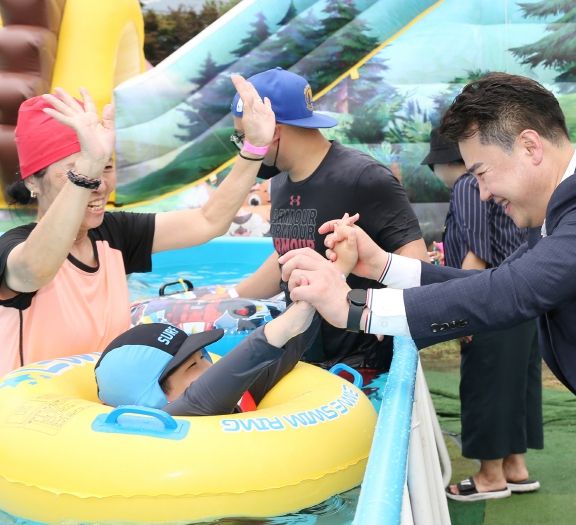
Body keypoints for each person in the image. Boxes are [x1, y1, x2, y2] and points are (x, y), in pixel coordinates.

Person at [280, 72, 576, 524]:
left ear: (530, 146)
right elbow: (496, 282)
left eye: (481, 172)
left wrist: (355, 309)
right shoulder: (570, 207)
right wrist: (380, 266)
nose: (482, 192)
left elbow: (513, 291)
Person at [0, 75, 274, 376]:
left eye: (105, 166)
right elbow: (36, 270)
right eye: (77, 171)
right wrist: (88, 169)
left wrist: (254, 149)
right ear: (32, 182)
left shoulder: (112, 234)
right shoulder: (14, 248)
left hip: (95, 401)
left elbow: (208, 221)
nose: (98, 184)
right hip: (28, 405)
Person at [232, 67, 427, 371]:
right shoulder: (279, 182)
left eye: (243, 136)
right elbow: (286, 255)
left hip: (361, 364)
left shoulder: (363, 177)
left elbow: (414, 255)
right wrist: (228, 297)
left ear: (274, 131)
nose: (244, 147)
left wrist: (389, 310)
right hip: (305, 354)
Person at [95, 218, 357, 416]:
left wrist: (335, 274)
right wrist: (285, 324)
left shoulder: (234, 396)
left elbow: (291, 346)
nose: (210, 368)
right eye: (192, 367)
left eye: (201, 357)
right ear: (151, 397)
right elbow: (200, 398)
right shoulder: (172, 417)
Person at [422, 129, 543, 500]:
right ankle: (515, 468)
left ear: (447, 162)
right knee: (517, 383)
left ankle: (490, 476)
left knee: (485, 384)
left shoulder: (467, 185)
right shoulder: (504, 179)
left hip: (490, 300)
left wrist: (464, 312)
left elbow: (476, 253)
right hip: (524, 295)